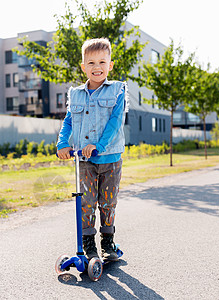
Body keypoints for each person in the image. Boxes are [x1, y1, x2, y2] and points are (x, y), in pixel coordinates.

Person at [57, 38, 128, 261]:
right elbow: (68, 121)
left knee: (107, 202)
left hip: (110, 157)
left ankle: (107, 242)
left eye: (101, 62)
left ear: (110, 65)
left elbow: (115, 123)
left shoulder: (118, 90)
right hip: (84, 160)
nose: (96, 67)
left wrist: (98, 145)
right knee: (85, 203)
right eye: (90, 63)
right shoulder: (75, 94)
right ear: (83, 66)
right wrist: (63, 143)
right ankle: (88, 245)